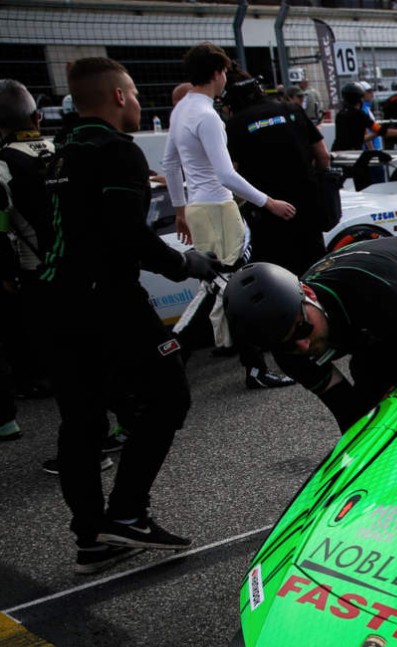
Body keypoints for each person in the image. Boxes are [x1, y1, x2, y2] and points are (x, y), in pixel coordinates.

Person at [40, 57, 221, 572]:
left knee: (81, 421)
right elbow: (127, 234)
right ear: (119, 96)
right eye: (136, 93)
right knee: (169, 395)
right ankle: (126, 514)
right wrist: (186, 263)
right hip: (108, 301)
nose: (140, 102)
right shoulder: (116, 150)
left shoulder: (60, 152)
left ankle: (92, 539)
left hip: (54, 299)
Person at [223, 236, 397, 431]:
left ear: (309, 295)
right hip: (368, 316)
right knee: (369, 398)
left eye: (302, 328)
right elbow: (346, 411)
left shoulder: (376, 292)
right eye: (288, 344)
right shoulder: (289, 351)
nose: (302, 346)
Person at [160, 46, 297, 390]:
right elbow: (225, 174)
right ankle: (176, 352)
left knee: (219, 285)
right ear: (217, 73)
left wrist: (180, 209)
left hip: (198, 208)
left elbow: (170, 164)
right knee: (233, 287)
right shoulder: (207, 116)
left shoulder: (181, 110)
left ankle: (182, 355)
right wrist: (269, 202)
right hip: (219, 209)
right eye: (224, 73)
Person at [225, 69, 330, 278]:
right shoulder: (292, 109)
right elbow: (323, 155)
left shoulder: (234, 126)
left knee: (278, 279)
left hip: (268, 216)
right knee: (317, 273)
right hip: (307, 207)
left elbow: (230, 172)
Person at [0, 79, 56, 417]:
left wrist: (6, 275)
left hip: (36, 272)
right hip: (83, 266)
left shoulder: (3, 165)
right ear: (37, 117)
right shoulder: (62, 149)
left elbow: (0, 228)